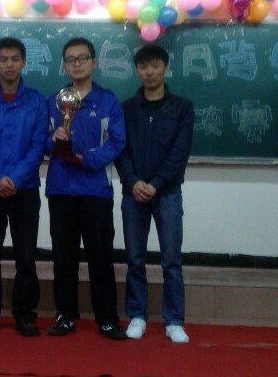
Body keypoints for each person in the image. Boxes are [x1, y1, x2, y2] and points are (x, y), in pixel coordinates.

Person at [45, 37, 126, 340]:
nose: (76, 63)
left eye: (82, 58)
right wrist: (53, 140)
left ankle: (107, 319)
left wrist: (87, 159)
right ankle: (66, 315)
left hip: (95, 190)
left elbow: (117, 142)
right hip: (61, 189)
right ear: (64, 65)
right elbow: (41, 140)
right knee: (63, 258)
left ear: (94, 62)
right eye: (70, 59)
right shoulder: (54, 101)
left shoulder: (108, 102)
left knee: (100, 257)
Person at [115, 44, 194, 343]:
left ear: (165, 68)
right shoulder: (127, 108)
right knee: (135, 259)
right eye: (143, 66)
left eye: (155, 65)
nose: (149, 72)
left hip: (168, 193)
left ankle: (174, 320)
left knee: (171, 260)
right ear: (137, 70)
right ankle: (137, 315)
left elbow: (179, 152)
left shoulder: (182, 108)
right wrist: (133, 181)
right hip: (133, 194)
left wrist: (157, 183)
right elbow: (120, 149)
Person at [0, 37, 48, 336]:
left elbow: (38, 145)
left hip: (25, 190)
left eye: (15, 59)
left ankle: (25, 314)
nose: (10, 64)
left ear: (24, 62)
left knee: (26, 256)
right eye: (4, 59)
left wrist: (14, 179)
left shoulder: (37, 101)